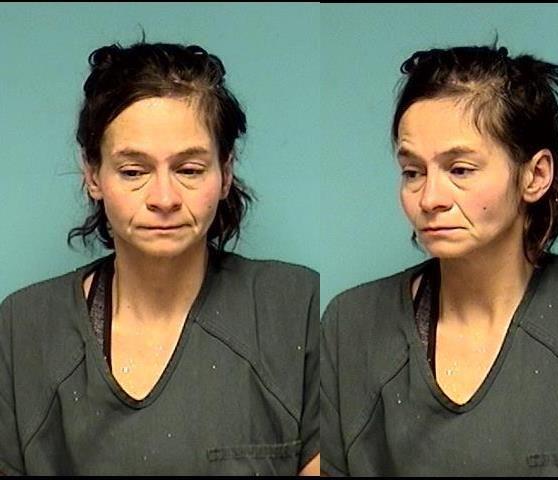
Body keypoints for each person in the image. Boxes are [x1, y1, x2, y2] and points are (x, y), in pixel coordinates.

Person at [0, 40, 319, 475]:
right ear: (93, 174)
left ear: (226, 173)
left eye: (189, 170)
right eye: (133, 171)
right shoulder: (24, 327)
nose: (164, 198)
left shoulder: (297, 307)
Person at [320, 43, 558, 476]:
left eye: (460, 169)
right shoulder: (352, 325)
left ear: (535, 175)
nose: (430, 199)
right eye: (413, 172)